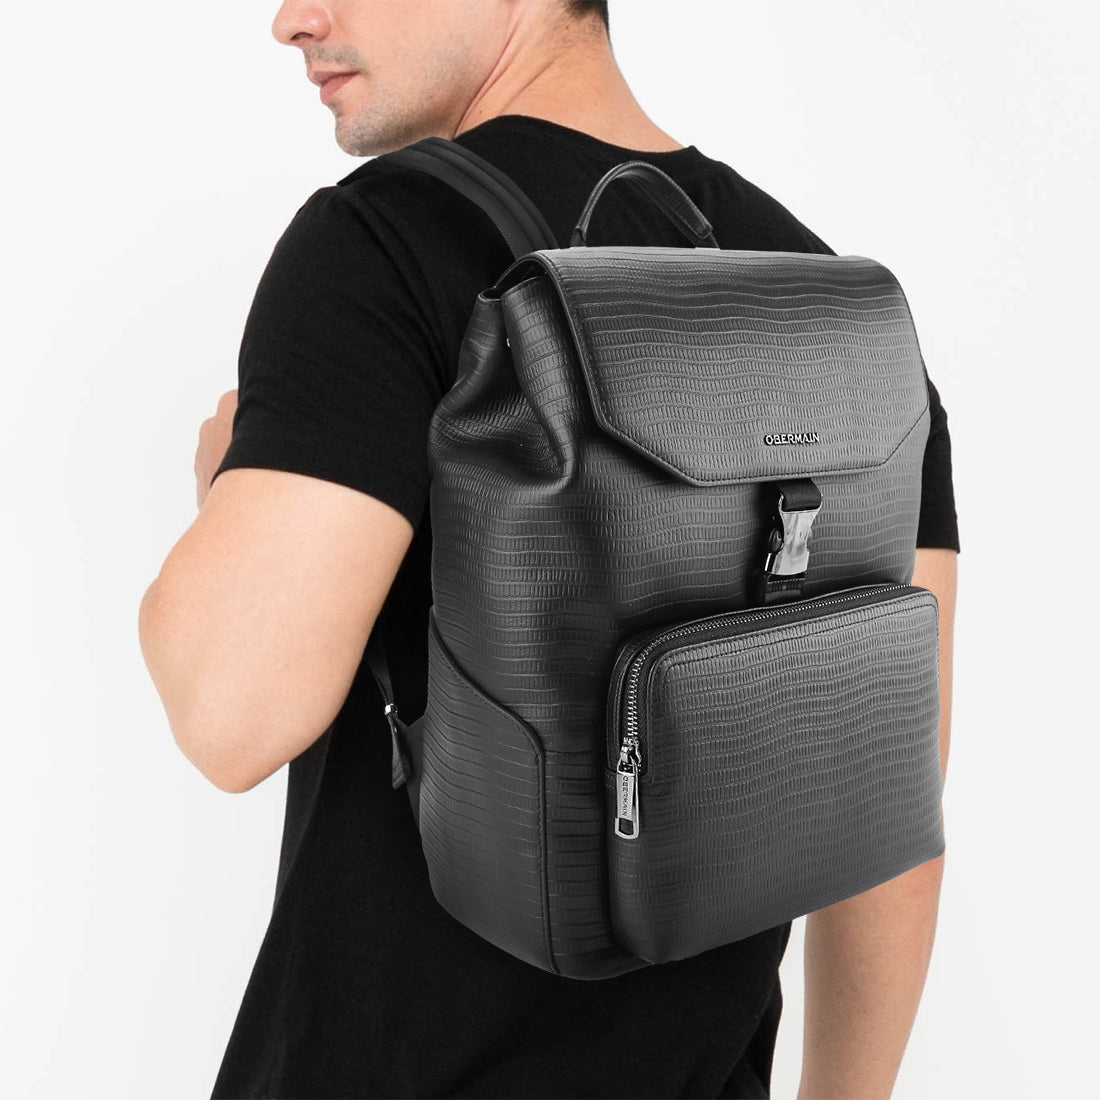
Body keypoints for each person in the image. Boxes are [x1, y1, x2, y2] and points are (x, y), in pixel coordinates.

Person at [137, 2, 960, 1097]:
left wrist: (224, 489)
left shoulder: (384, 241)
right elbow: (893, 804)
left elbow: (230, 717)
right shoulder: (832, 300)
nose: (294, 19)